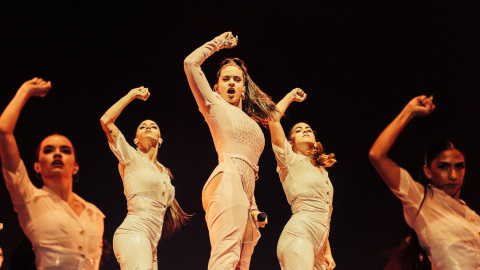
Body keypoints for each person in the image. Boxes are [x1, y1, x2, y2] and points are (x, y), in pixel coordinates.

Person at [184, 32, 277, 269]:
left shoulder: (255, 124)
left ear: (244, 88)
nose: (232, 83)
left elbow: (251, 169)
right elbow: (190, 63)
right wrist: (217, 44)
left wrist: (253, 208)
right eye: (226, 79)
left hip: (246, 193)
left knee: (240, 265)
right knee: (225, 257)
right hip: (226, 180)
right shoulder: (214, 105)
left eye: (237, 79)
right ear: (216, 87)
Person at [0, 78, 105, 269]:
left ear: (75, 166)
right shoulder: (29, 200)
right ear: (37, 166)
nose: (57, 153)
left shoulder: (95, 215)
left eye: (65, 150)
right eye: (48, 150)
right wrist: (26, 90)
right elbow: (3, 131)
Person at [369, 95, 480, 269]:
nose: (453, 175)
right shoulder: (421, 200)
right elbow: (377, 155)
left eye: (459, 166)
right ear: (428, 171)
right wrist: (409, 111)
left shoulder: (472, 216)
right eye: (443, 167)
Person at [100, 87, 190, 270]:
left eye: (153, 126)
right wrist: (131, 95)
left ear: (160, 139)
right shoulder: (130, 157)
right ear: (135, 140)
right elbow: (106, 121)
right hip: (133, 233)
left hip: (151, 244)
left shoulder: (164, 173)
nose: (148, 127)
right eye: (142, 126)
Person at [269, 88, 336, 270]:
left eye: (308, 129)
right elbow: (273, 119)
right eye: (298, 130)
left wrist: (326, 250)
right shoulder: (288, 160)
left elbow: (323, 215)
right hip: (299, 236)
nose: (305, 131)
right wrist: (290, 96)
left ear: (315, 139)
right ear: (291, 141)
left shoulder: (321, 171)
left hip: (318, 245)